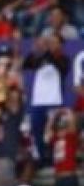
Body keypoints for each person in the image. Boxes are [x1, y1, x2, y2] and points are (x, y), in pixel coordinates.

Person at [23, 35, 69, 168]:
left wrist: (47, 50)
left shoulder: (63, 59)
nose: (51, 44)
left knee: (53, 131)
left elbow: (61, 67)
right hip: (38, 101)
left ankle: (54, 158)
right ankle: (42, 159)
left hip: (53, 101)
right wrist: (35, 50)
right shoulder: (41, 59)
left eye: (54, 42)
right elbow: (27, 65)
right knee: (37, 131)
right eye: (50, 42)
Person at [45, 108, 80, 186]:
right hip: (58, 177)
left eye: (63, 127)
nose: (61, 130)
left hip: (69, 177)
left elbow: (73, 125)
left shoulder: (71, 138)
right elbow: (47, 134)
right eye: (59, 128)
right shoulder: (54, 140)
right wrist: (53, 117)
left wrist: (66, 112)